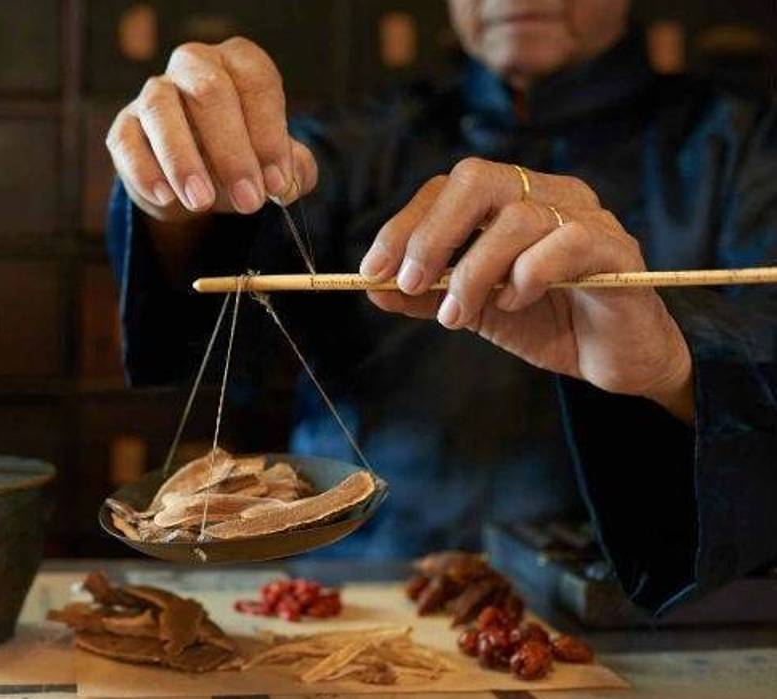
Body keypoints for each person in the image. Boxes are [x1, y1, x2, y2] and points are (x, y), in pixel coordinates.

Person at [104, 0, 777, 614]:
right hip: (363, 588)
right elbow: (206, 334)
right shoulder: (360, 136)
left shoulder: (742, 142)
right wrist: (183, 192)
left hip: (621, 604)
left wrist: (673, 362)